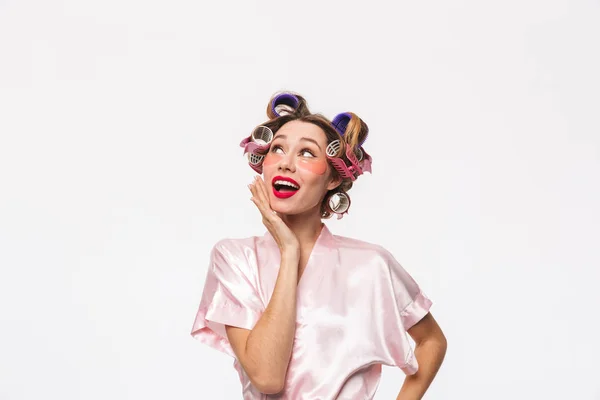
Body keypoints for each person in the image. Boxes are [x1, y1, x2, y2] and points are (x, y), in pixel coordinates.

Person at [190, 91, 447, 399]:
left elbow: (431, 341)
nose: (286, 163)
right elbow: (267, 377)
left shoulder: (371, 264)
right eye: (278, 149)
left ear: (333, 179)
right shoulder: (235, 258)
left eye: (307, 153)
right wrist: (289, 251)